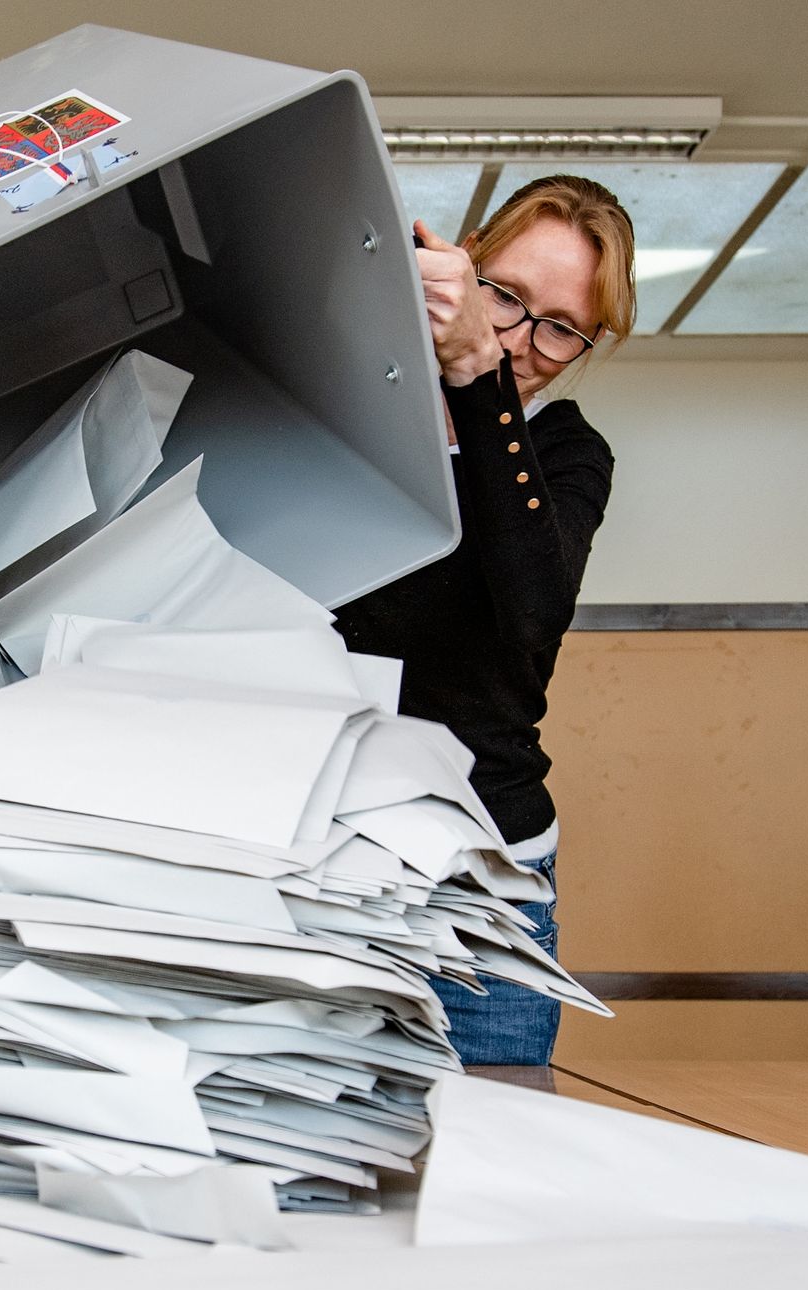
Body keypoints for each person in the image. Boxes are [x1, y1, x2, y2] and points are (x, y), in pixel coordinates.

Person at [335, 175, 638, 1066]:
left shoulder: (567, 452)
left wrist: (480, 381)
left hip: (482, 873)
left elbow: (532, 610)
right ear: (463, 263)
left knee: (491, 1163)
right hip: (328, 856)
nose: (519, 335)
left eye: (559, 327)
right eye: (504, 295)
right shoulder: (360, 400)